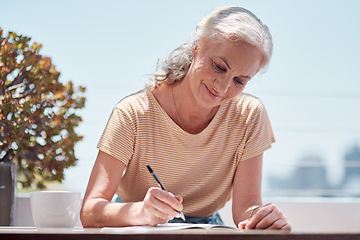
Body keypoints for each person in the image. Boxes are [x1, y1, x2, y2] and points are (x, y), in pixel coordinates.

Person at [80, 6, 291, 231]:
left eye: (239, 81)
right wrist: (142, 211)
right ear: (197, 46)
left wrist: (263, 218)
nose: (223, 87)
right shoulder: (133, 114)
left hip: (207, 229)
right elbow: (89, 212)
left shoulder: (249, 116)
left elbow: (246, 208)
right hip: (137, 224)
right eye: (219, 67)